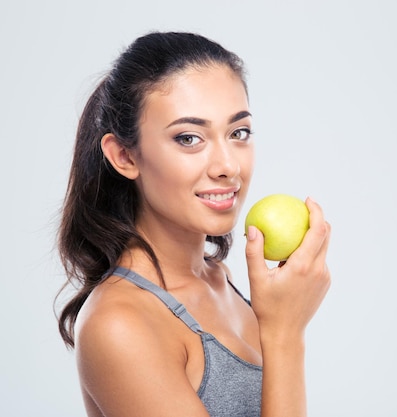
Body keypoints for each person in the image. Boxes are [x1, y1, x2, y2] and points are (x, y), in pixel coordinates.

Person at [56, 31, 331, 417]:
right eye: (189, 138)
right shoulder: (119, 324)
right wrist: (285, 333)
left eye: (239, 133)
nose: (228, 167)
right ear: (124, 156)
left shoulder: (221, 279)